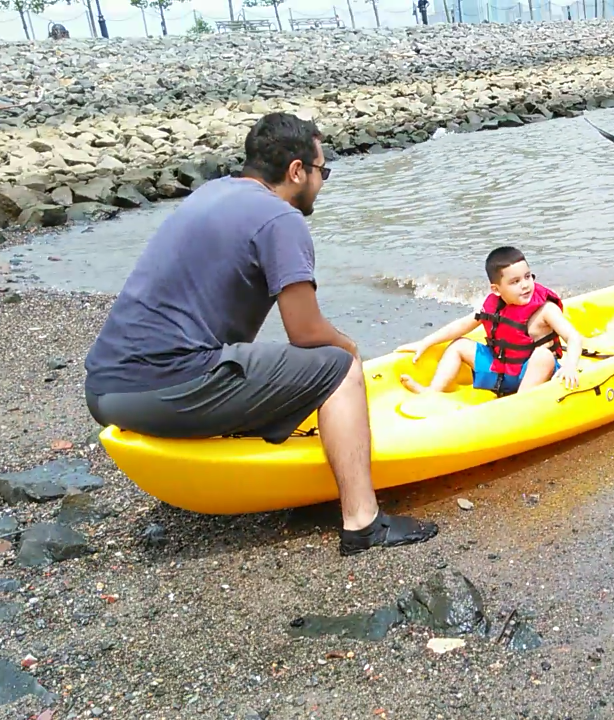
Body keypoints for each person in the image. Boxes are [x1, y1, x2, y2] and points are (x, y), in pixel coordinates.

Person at [83, 112, 437, 557]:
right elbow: (307, 332)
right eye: (321, 170)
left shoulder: (212, 193)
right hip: (164, 385)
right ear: (296, 171)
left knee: (277, 363)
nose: (322, 182)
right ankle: (363, 522)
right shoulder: (280, 219)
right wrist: (351, 349)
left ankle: (314, 480)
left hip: (104, 389)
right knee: (338, 366)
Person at [397, 247, 583, 396]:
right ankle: (431, 393)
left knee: (544, 356)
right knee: (459, 345)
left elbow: (573, 337)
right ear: (496, 289)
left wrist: (570, 366)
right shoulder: (494, 306)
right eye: (515, 281)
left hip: (535, 374)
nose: (525, 285)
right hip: (501, 371)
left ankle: (520, 404)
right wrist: (426, 342)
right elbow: (461, 325)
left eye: (527, 276)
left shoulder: (545, 310)